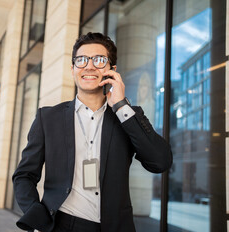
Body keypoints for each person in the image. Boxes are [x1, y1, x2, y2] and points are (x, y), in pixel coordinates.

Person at [12, 32, 172, 232]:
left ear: (112, 71)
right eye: (81, 60)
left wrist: (121, 106)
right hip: (61, 224)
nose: (89, 66)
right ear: (73, 69)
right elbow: (24, 175)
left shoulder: (127, 116)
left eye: (99, 60)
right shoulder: (48, 118)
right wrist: (37, 217)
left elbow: (160, 162)